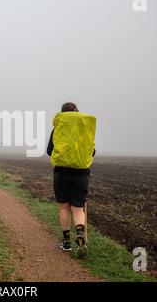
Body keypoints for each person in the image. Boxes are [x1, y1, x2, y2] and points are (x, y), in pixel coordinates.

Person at [47, 102, 96, 257]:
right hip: (81, 174)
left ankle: (67, 242)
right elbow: (92, 152)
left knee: (63, 207)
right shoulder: (84, 129)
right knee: (77, 208)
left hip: (61, 172)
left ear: (63, 114)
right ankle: (80, 234)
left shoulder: (58, 128)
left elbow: (50, 151)